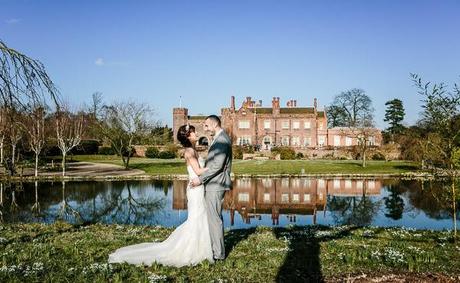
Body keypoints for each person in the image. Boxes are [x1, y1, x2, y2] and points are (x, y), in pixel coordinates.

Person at [108, 124, 214, 267]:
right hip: (196, 190)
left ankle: (202, 247)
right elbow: (199, 171)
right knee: (196, 218)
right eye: (194, 133)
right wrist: (216, 167)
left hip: (198, 187)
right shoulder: (189, 151)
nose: (196, 134)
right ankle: (193, 250)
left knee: (200, 217)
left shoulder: (193, 149)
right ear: (188, 136)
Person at [190, 115, 232, 260]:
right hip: (215, 183)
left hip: (216, 184)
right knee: (214, 217)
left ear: (214, 125)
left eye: (207, 126)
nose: (205, 130)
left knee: (214, 219)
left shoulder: (221, 140)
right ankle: (216, 249)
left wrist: (200, 180)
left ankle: (218, 254)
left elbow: (217, 166)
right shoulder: (220, 138)